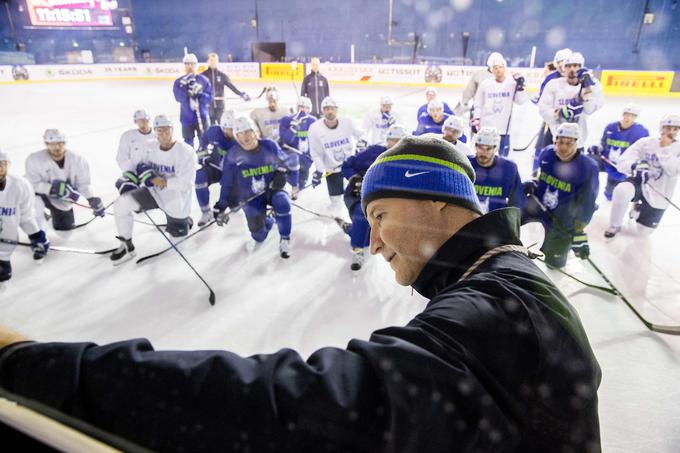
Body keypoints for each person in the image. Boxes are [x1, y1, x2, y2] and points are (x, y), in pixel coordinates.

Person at [0, 135, 602, 453]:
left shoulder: (495, 308)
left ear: (438, 201)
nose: (371, 239)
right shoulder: (503, 280)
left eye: (381, 212)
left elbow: (296, 407)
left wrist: (34, 366)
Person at [110, 115, 196, 264]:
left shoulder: (185, 151)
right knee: (121, 204)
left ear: (172, 130)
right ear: (155, 131)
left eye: (166, 130)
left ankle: (184, 221)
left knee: (179, 248)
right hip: (152, 193)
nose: (162, 134)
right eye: (159, 130)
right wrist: (129, 179)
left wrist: (157, 180)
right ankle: (126, 244)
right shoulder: (149, 146)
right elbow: (138, 166)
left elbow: (185, 184)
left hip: (176, 200)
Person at [212, 117, 297, 258]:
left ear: (255, 132)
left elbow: (285, 163)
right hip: (251, 198)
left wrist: (282, 173)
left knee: (283, 202)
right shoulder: (232, 155)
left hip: (272, 190)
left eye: (248, 132)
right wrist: (221, 205)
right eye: (240, 133)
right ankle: (270, 219)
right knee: (259, 236)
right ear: (236, 136)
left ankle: (285, 239)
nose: (245, 136)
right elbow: (226, 183)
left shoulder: (269, 145)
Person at [522, 123, 599, 269]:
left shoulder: (588, 168)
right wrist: (532, 183)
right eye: (560, 142)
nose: (563, 148)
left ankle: (556, 254)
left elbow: (588, 202)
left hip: (562, 218)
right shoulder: (547, 153)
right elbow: (539, 177)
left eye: (569, 143)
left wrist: (579, 230)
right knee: (510, 216)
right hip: (538, 204)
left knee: (554, 265)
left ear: (577, 143)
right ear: (554, 140)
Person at [341, 124, 407, 271]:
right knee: (362, 216)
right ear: (387, 140)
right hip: (359, 195)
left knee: (372, 232)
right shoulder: (374, 152)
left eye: (399, 141)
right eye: (392, 140)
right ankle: (358, 250)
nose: (395, 144)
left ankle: (350, 229)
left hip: (385, 199)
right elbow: (347, 164)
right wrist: (354, 178)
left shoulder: (407, 160)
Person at [604, 114, 680, 238]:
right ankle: (614, 225)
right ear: (661, 128)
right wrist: (634, 166)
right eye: (668, 128)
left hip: (660, 193)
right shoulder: (646, 142)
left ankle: (638, 208)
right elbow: (622, 163)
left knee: (643, 232)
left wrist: (665, 149)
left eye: (675, 129)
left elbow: (674, 171)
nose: (671, 132)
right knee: (622, 190)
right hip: (638, 183)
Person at [24, 129, 105, 231]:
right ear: (46, 144)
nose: (56, 147)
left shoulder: (78, 160)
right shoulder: (34, 159)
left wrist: (91, 199)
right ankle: (38, 233)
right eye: (52, 144)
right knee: (36, 204)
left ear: (64, 143)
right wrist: (51, 189)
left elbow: (83, 183)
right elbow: (31, 183)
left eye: (59, 143)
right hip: (36, 194)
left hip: (61, 197)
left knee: (64, 228)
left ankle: (48, 218)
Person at [537, 51, 604, 170]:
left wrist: (587, 89)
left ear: (581, 67)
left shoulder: (593, 85)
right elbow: (543, 109)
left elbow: (589, 110)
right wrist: (560, 113)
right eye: (568, 66)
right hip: (557, 140)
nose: (572, 69)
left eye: (576, 65)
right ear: (563, 68)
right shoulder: (553, 84)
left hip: (578, 141)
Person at [308, 97, 364, 213]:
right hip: (332, 170)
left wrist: (362, 142)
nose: (329, 111)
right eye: (326, 109)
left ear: (336, 110)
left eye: (332, 108)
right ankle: (340, 219)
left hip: (350, 166)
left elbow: (361, 135)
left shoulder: (347, 122)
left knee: (358, 194)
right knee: (336, 201)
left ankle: (357, 220)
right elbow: (316, 153)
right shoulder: (315, 129)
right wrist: (318, 171)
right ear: (322, 111)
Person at [0, 149, 49, 281]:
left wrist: (36, 236)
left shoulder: (20, 186)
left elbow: (25, 216)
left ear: (7, 165)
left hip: (4, 246)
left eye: (1, 164)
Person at [587, 103, 649, 200]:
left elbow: (643, 152)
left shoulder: (641, 132)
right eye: (626, 114)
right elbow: (603, 144)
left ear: (635, 117)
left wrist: (636, 165)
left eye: (632, 115)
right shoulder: (610, 127)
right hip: (607, 161)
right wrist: (597, 148)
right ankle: (584, 187)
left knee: (611, 195)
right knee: (588, 161)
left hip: (622, 167)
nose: (628, 117)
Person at [472, 52, 528, 157]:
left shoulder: (512, 83)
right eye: (495, 68)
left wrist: (520, 88)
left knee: (503, 157)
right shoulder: (485, 85)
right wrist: (476, 119)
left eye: (500, 67)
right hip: (487, 127)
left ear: (504, 67)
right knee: (486, 154)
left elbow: (521, 101)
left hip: (504, 129)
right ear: (491, 70)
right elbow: (478, 103)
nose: (498, 70)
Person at [468, 127, 524, 214]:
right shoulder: (466, 164)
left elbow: (517, 201)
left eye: (488, 148)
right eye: (480, 147)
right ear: (475, 146)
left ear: (495, 148)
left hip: (496, 222)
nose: (483, 152)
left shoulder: (509, 168)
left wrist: (509, 222)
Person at [195, 110, 237, 226]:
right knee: (199, 176)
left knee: (235, 205)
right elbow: (202, 143)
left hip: (232, 174)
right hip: (215, 168)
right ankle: (205, 212)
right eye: (230, 129)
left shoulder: (241, 137)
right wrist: (203, 157)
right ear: (223, 127)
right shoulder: (213, 131)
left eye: (235, 129)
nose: (234, 132)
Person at [533, 48, 572, 156]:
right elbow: (542, 99)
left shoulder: (576, 78)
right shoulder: (550, 78)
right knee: (543, 145)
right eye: (559, 62)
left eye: (564, 61)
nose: (561, 65)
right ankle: (537, 167)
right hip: (551, 118)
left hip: (571, 120)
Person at [173, 53, 212, 146]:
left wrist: (200, 94)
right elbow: (178, 98)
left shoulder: (203, 80)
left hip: (202, 117)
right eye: (187, 64)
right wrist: (186, 89)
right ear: (184, 65)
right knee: (188, 144)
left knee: (204, 143)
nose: (190, 66)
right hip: (187, 118)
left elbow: (209, 99)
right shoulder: (179, 82)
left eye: (192, 64)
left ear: (196, 65)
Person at [199, 52, 250, 125]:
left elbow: (232, 87)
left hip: (220, 106)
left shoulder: (222, 75)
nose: (213, 62)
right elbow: (198, 89)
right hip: (208, 106)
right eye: (211, 60)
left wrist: (241, 94)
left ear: (217, 62)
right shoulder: (203, 76)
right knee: (210, 127)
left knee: (222, 126)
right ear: (208, 61)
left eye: (215, 60)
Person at [279, 96, 317, 191]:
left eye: (306, 107)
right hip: (291, 160)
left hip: (306, 160)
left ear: (310, 109)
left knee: (301, 187)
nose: (303, 110)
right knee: (289, 186)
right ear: (297, 107)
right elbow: (286, 141)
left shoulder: (313, 121)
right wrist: (294, 126)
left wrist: (313, 158)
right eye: (301, 107)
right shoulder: (286, 120)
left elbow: (317, 142)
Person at [452, 52, 495, 126]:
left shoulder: (503, 78)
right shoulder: (479, 75)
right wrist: (465, 101)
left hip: (495, 110)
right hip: (478, 109)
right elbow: (470, 90)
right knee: (476, 131)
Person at [116, 109, 157, 174]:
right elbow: (121, 157)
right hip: (134, 174)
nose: (142, 124)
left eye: (144, 121)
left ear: (148, 121)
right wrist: (130, 172)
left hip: (154, 174)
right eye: (138, 122)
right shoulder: (128, 136)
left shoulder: (158, 136)